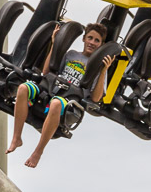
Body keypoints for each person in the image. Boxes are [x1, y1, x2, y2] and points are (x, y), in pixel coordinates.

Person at [8, 21, 115, 168]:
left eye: (97, 40)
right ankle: (16, 138)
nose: (92, 42)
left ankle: (38, 152)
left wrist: (103, 70)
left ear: (101, 45)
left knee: (56, 103)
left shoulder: (98, 66)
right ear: (83, 38)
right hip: (51, 89)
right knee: (23, 88)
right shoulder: (71, 55)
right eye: (90, 38)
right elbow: (47, 72)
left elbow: (96, 98)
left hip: (69, 100)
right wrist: (54, 44)